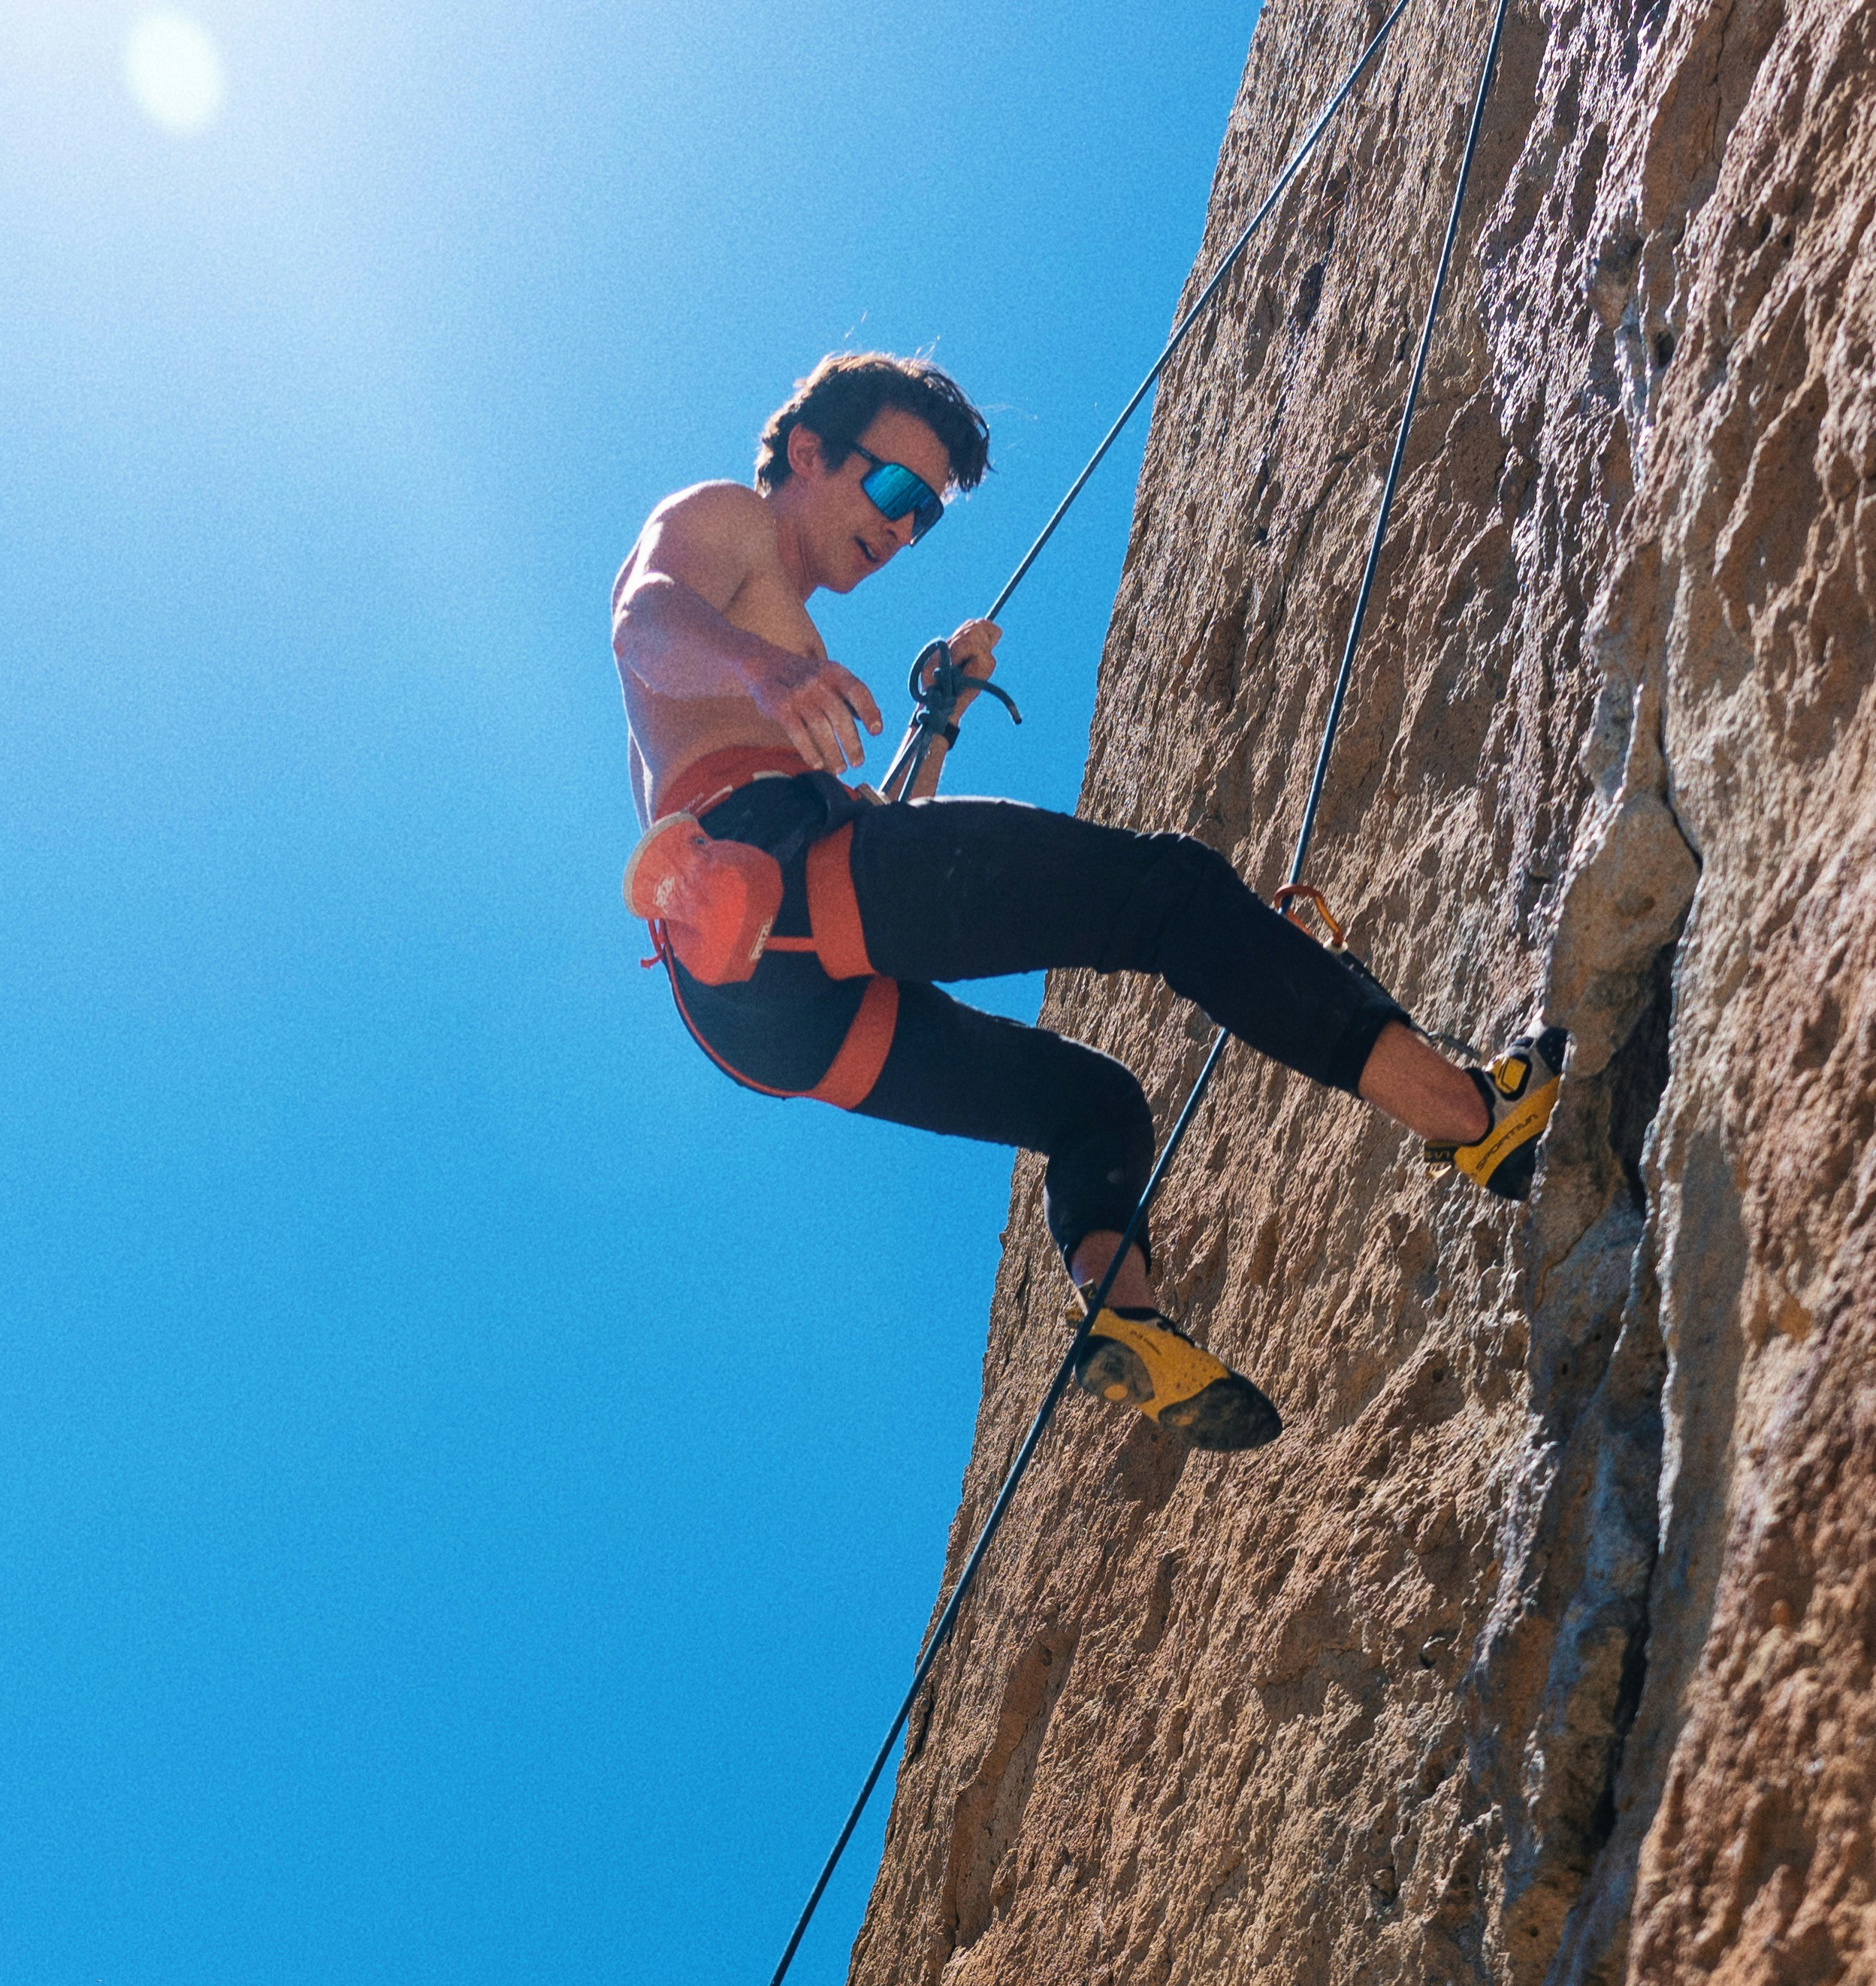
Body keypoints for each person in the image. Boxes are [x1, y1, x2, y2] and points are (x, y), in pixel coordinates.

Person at [612, 349, 1561, 1453]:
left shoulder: (768, 654)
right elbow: (642, 619)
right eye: (894, 487)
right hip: (766, 881)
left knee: (1094, 1108)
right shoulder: (725, 521)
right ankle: (1476, 1118)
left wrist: (942, 716)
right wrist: (766, 672)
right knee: (1167, 895)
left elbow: (883, 860)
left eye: (926, 513)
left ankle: (1128, 1328)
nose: (905, 527)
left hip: (772, 995)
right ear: (810, 452)